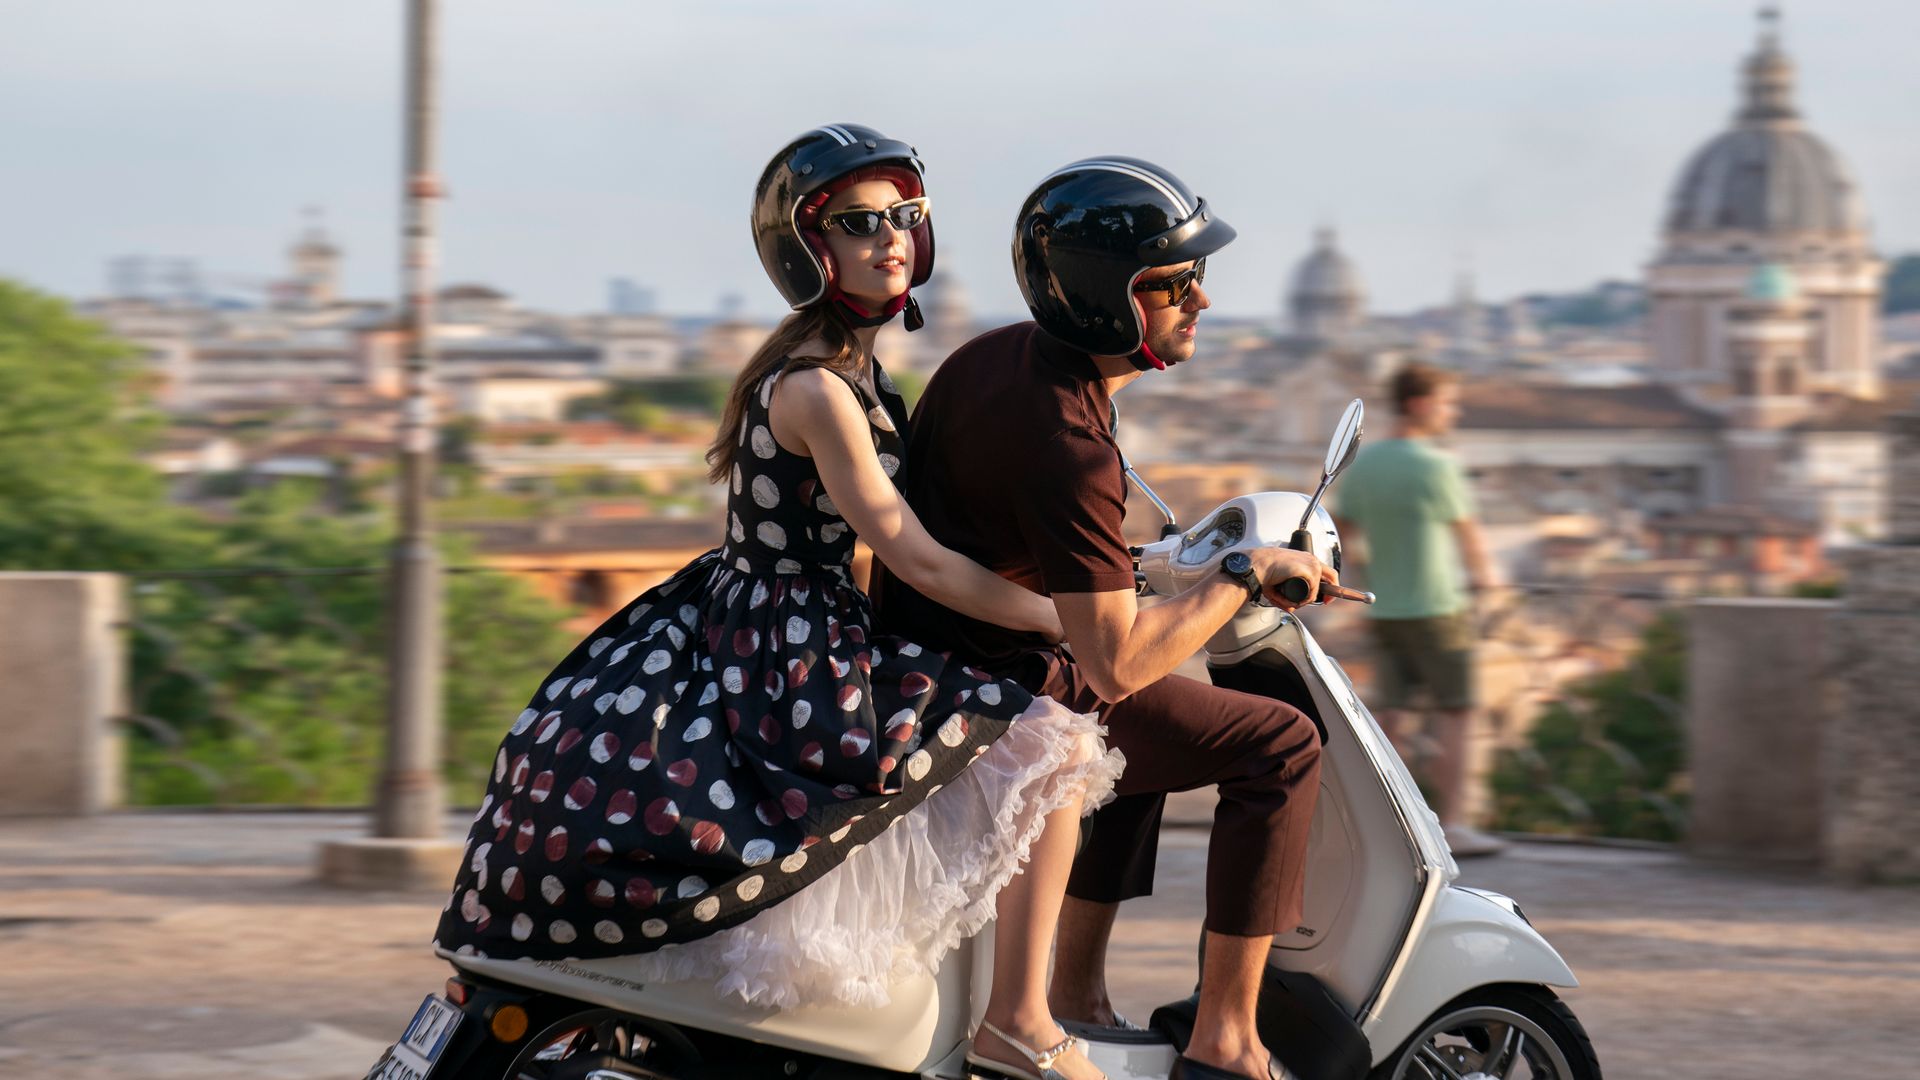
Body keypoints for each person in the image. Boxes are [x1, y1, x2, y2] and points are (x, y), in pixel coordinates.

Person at [434, 125, 1122, 1080]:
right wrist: (1061, 618)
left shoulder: (846, 370)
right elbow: (915, 558)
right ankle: (1021, 1020)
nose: (890, 239)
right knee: (1051, 741)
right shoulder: (820, 390)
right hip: (790, 644)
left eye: (904, 217)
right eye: (859, 224)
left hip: (767, 623)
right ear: (808, 249)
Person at [876, 158, 1336, 1080]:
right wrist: (1241, 574)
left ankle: (1080, 993)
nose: (1201, 300)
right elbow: (1115, 661)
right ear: (1105, 300)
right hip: (999, 689)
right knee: (1279, 745)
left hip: (937, 660)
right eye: (1174, 283)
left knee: (1156, 718)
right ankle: (1228, 1037)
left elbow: (1021, 537)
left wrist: (1153, 566)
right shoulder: (1071, 444)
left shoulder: (995, 359)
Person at [1332, 362, 1505, 857]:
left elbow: (1342, 533)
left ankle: (1391, 825)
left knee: (1392, 716)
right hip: (1438, 607)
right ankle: (1454, 825)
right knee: (1457, 713)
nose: (1454, 413)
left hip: (1384, 609)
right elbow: (1470, 539)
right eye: (1449, 403)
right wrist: (1490, 584)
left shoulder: (1363, 466)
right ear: (1421, 404)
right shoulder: (1438, 467)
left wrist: (1364, 574)